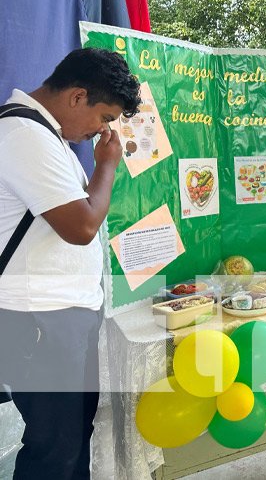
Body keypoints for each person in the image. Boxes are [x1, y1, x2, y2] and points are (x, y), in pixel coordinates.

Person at [0, 48, 140, 479]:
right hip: (38, 316)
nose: (103, 130)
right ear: (77, 96)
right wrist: (108, 166)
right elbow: (80, 227)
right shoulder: (22, 132)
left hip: (62, 315)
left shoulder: (47, 134)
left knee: (73, 435)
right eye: (104, 117)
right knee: (54, 446)